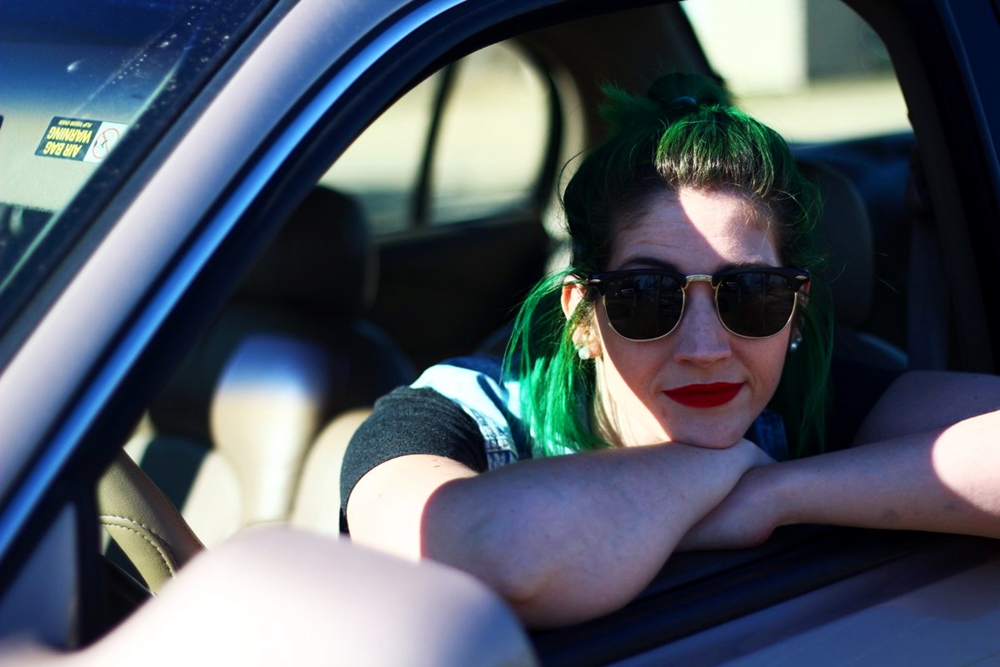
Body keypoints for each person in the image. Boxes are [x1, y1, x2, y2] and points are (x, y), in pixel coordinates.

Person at [340, 73, 1000, 628]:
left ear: (795, 313)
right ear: (583, 319)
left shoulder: (810, 394)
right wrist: (703, 475)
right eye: (649, 296)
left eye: (754, 296)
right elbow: (497, 551)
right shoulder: (450, 418)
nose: (708, 348)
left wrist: (772, 491)